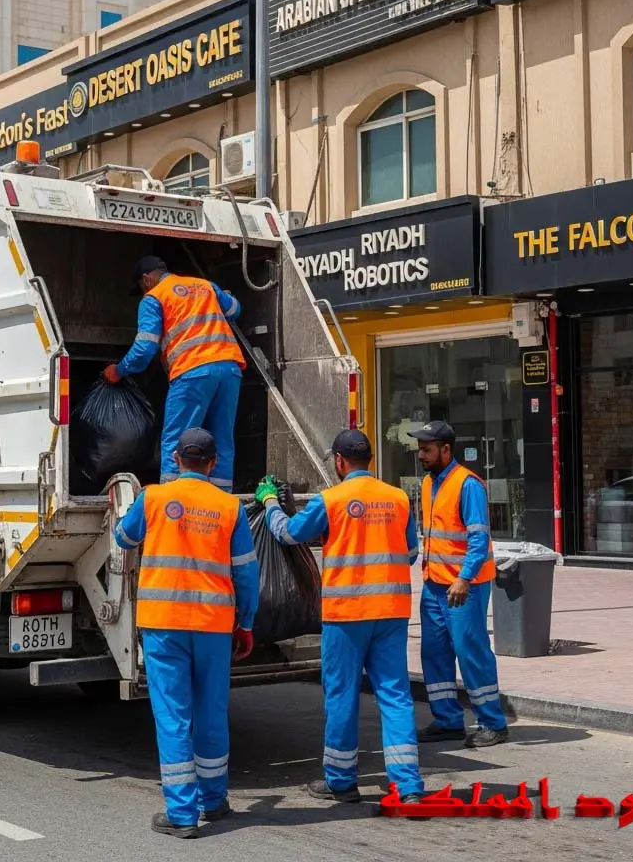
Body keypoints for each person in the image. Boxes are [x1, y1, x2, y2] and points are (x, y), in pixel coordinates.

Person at [258, 429, 425, 808]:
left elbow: (288, 534)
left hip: (346, 615)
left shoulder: (330, 500)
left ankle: (341, 781)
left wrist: (269, 503)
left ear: (339, 461)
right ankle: (408, 786)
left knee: (342, 696)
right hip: (392, 613)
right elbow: (412, 553)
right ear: (370, 459)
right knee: (395, 697)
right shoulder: (398, 498)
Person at [113, 427, 260, 838]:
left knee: (173, 715)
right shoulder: (230, 507)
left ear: (177, 459)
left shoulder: (154, 498)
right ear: (214, 464)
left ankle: (182, 813)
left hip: (163, 623)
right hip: (213, 625)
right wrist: (245, 622)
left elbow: (123, 536)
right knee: (211, 711)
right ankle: (213, 800)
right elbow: (247, 571)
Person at [104, 255, 246, 492]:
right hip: (229, 368)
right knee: (222, 441)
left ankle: (171, 499)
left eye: (140, 287)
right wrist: (227, 296)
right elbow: (235, 309)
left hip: (193, 371)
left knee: (176, 440)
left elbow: (144, 349)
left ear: (147, 280)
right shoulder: (204, 285)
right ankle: (222, 500)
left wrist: (118, 371)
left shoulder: (153, 298)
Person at [414, 421, 509, 749]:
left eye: (427, 449)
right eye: (420, 448)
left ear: (445, 449)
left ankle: (493, 722)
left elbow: (479, 538)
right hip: (434, 584)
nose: (421, 454)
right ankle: (448, 719)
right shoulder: (428, 484)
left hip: (463, 586)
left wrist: (464, 578)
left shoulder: (467, 484)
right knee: (434, 652)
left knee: (471, 651)